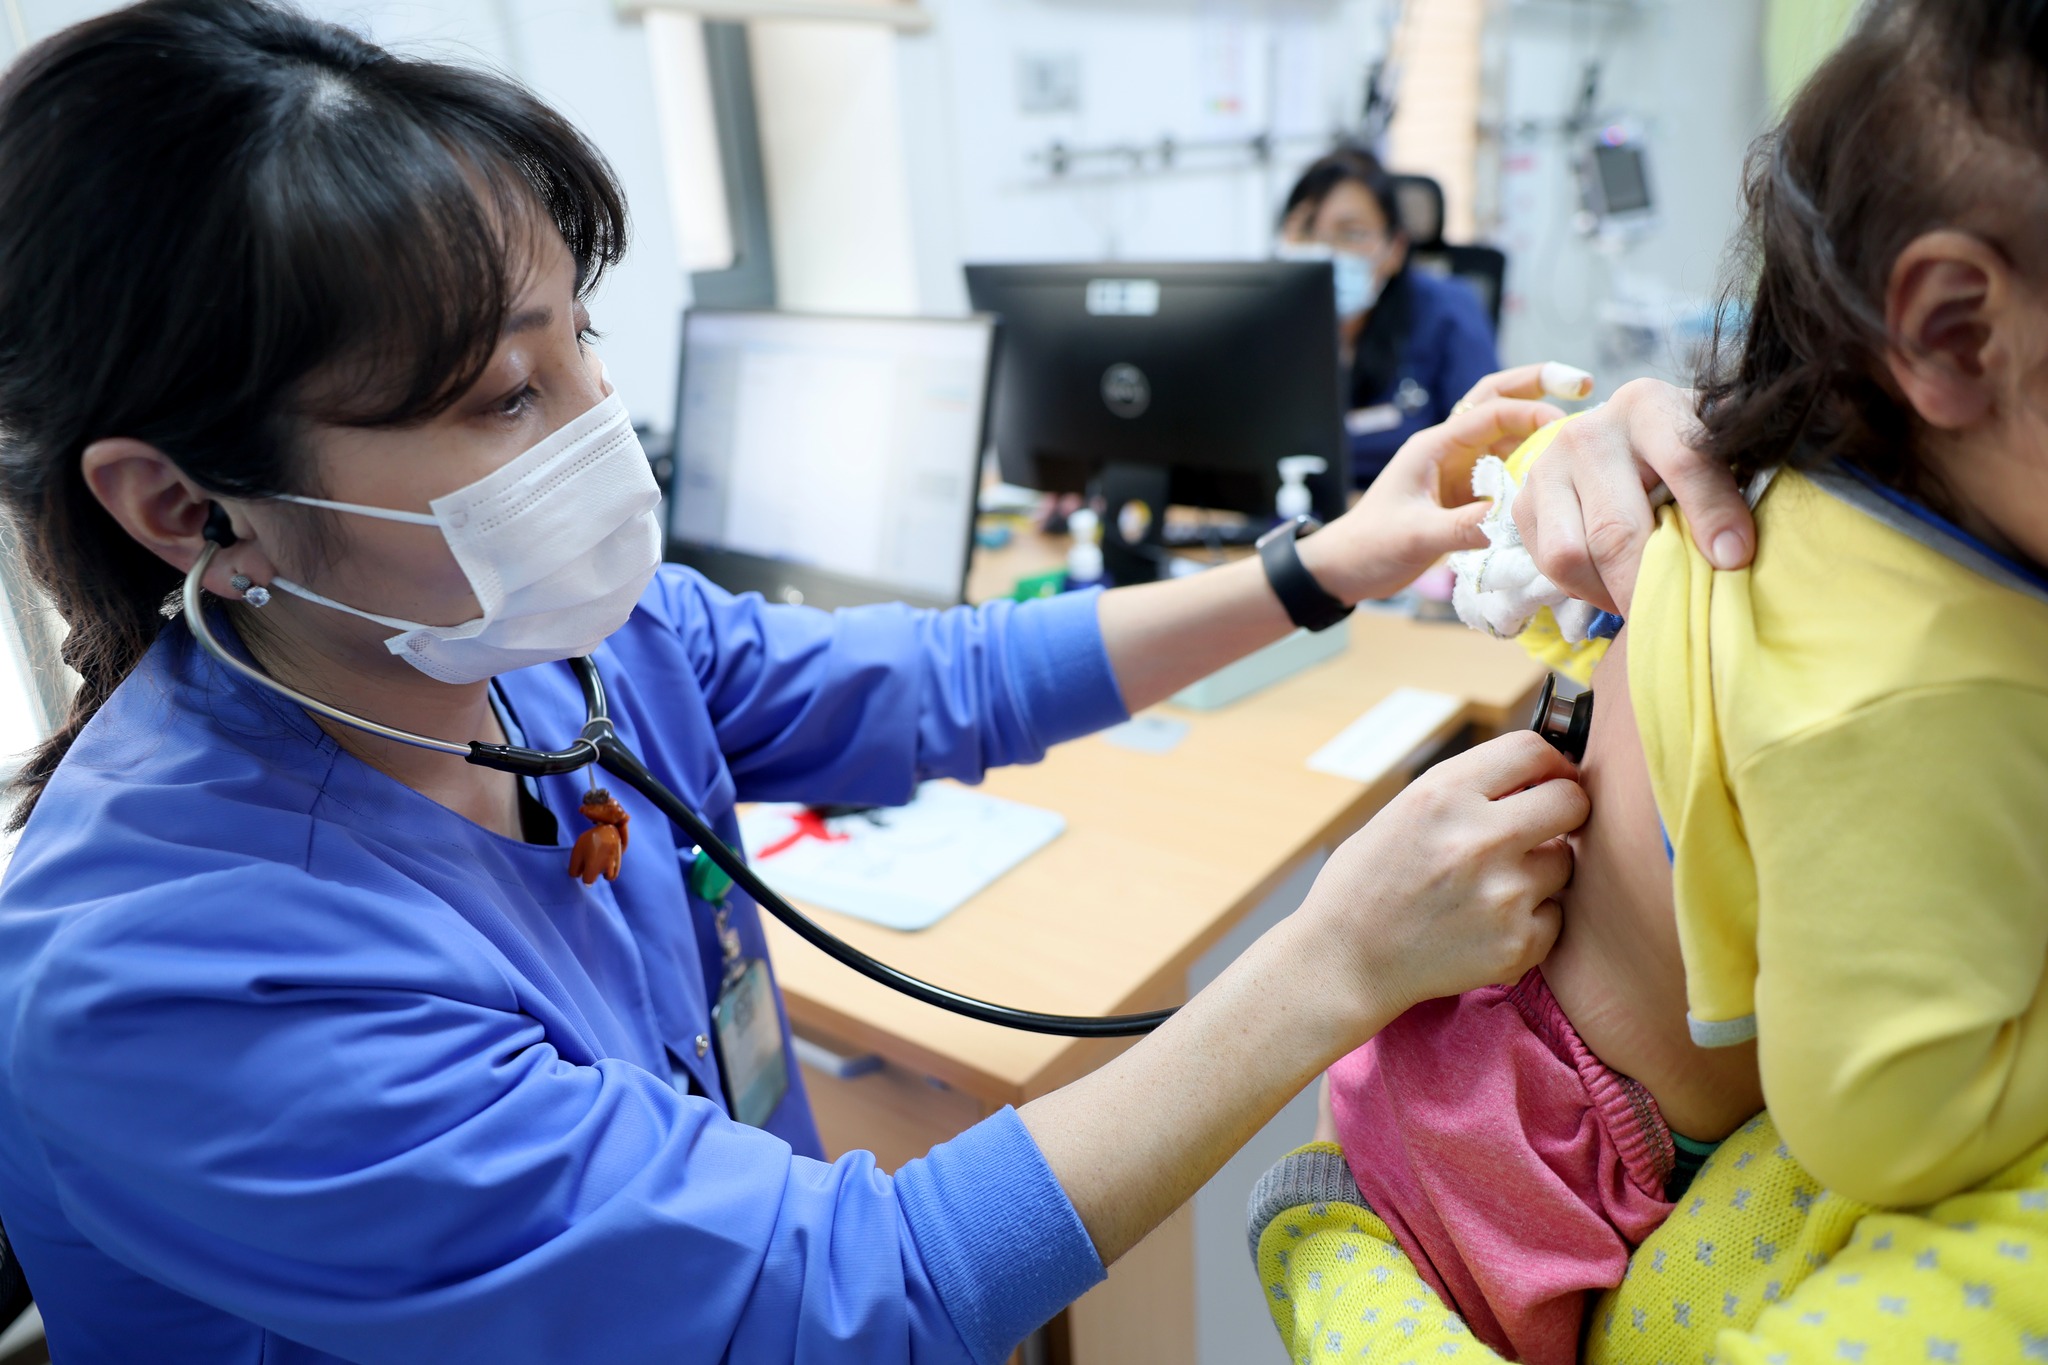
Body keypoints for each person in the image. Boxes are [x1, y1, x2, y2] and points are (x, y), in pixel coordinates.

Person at [0, 5, 1618, 1362]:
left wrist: (1324, 564)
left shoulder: (543, 647)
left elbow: (939, 681)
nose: (596, 424)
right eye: (503, 393)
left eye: (579, 341)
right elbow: (848, 1303)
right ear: (187, 508)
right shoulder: (173, 978)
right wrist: (1332, 963)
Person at [1254, 1, 2048, 1359]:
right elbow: (1890, 1124)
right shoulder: (1908, 692)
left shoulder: (1779, 490)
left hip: (1462, 1067)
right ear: (1954, 328)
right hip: (1530, 1183)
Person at [1278, 149, 1501, 488]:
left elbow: (1487, 451)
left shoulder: (1448, 311)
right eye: (1307, 229)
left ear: (1395, 248)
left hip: (1415, 509)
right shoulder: (1268, 321)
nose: (1325, 251)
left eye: (1351, 233)